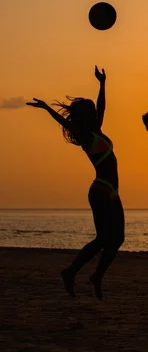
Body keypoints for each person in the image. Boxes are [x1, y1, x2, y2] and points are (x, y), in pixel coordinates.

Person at [27, 66, 124, 301]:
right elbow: (65, 123)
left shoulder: (97, 130)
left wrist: (102, 84)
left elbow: (102, 107)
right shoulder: (85, 136)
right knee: (103, 238)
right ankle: (70, 272)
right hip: (100, 190)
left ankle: (96, 276)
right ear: (85, 116)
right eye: (91, 109)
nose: (95, 111)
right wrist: (47, 108)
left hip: (112, 192)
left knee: (117, 239)